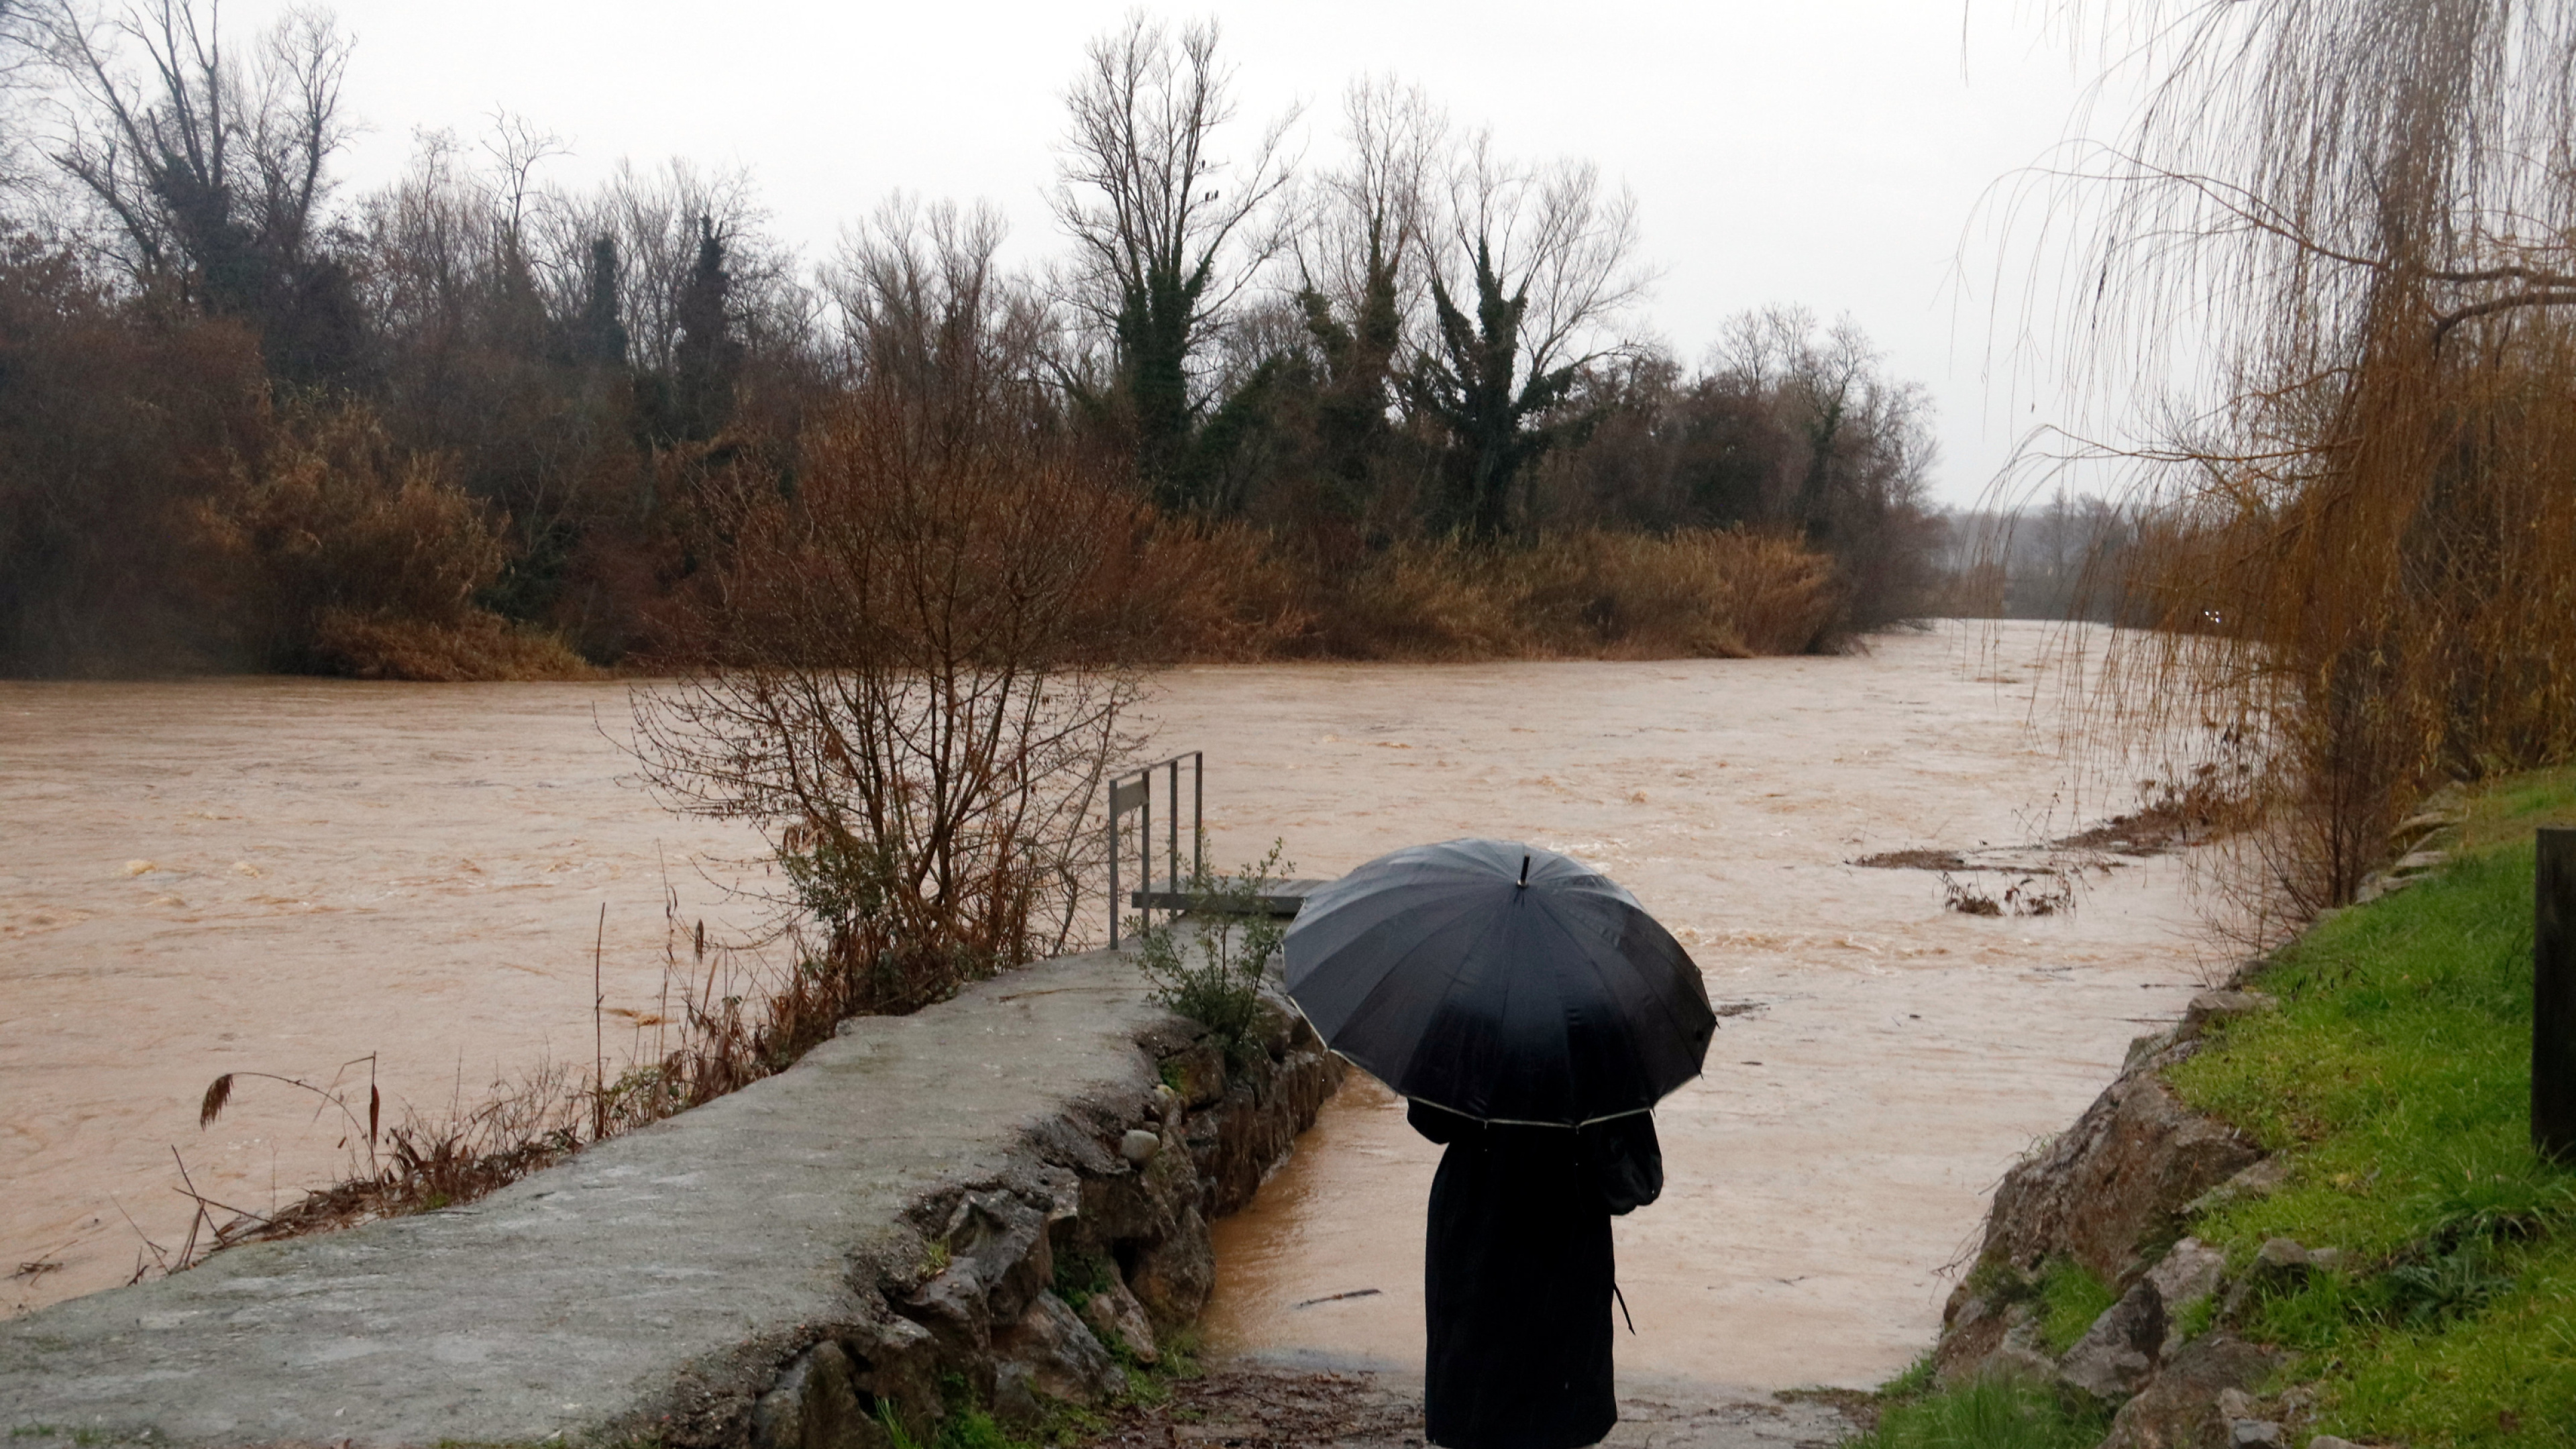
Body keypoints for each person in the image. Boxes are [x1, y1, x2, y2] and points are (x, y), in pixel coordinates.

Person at [1407, 1100, 1665, 1449]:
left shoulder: (1473, 1049)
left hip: (1482, 1233)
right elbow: (1637, 1180)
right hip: (1556, 1235)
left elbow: (1431, 1119)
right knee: (1553, 1409)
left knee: (1485, 1403)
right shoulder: (1597, 1053)